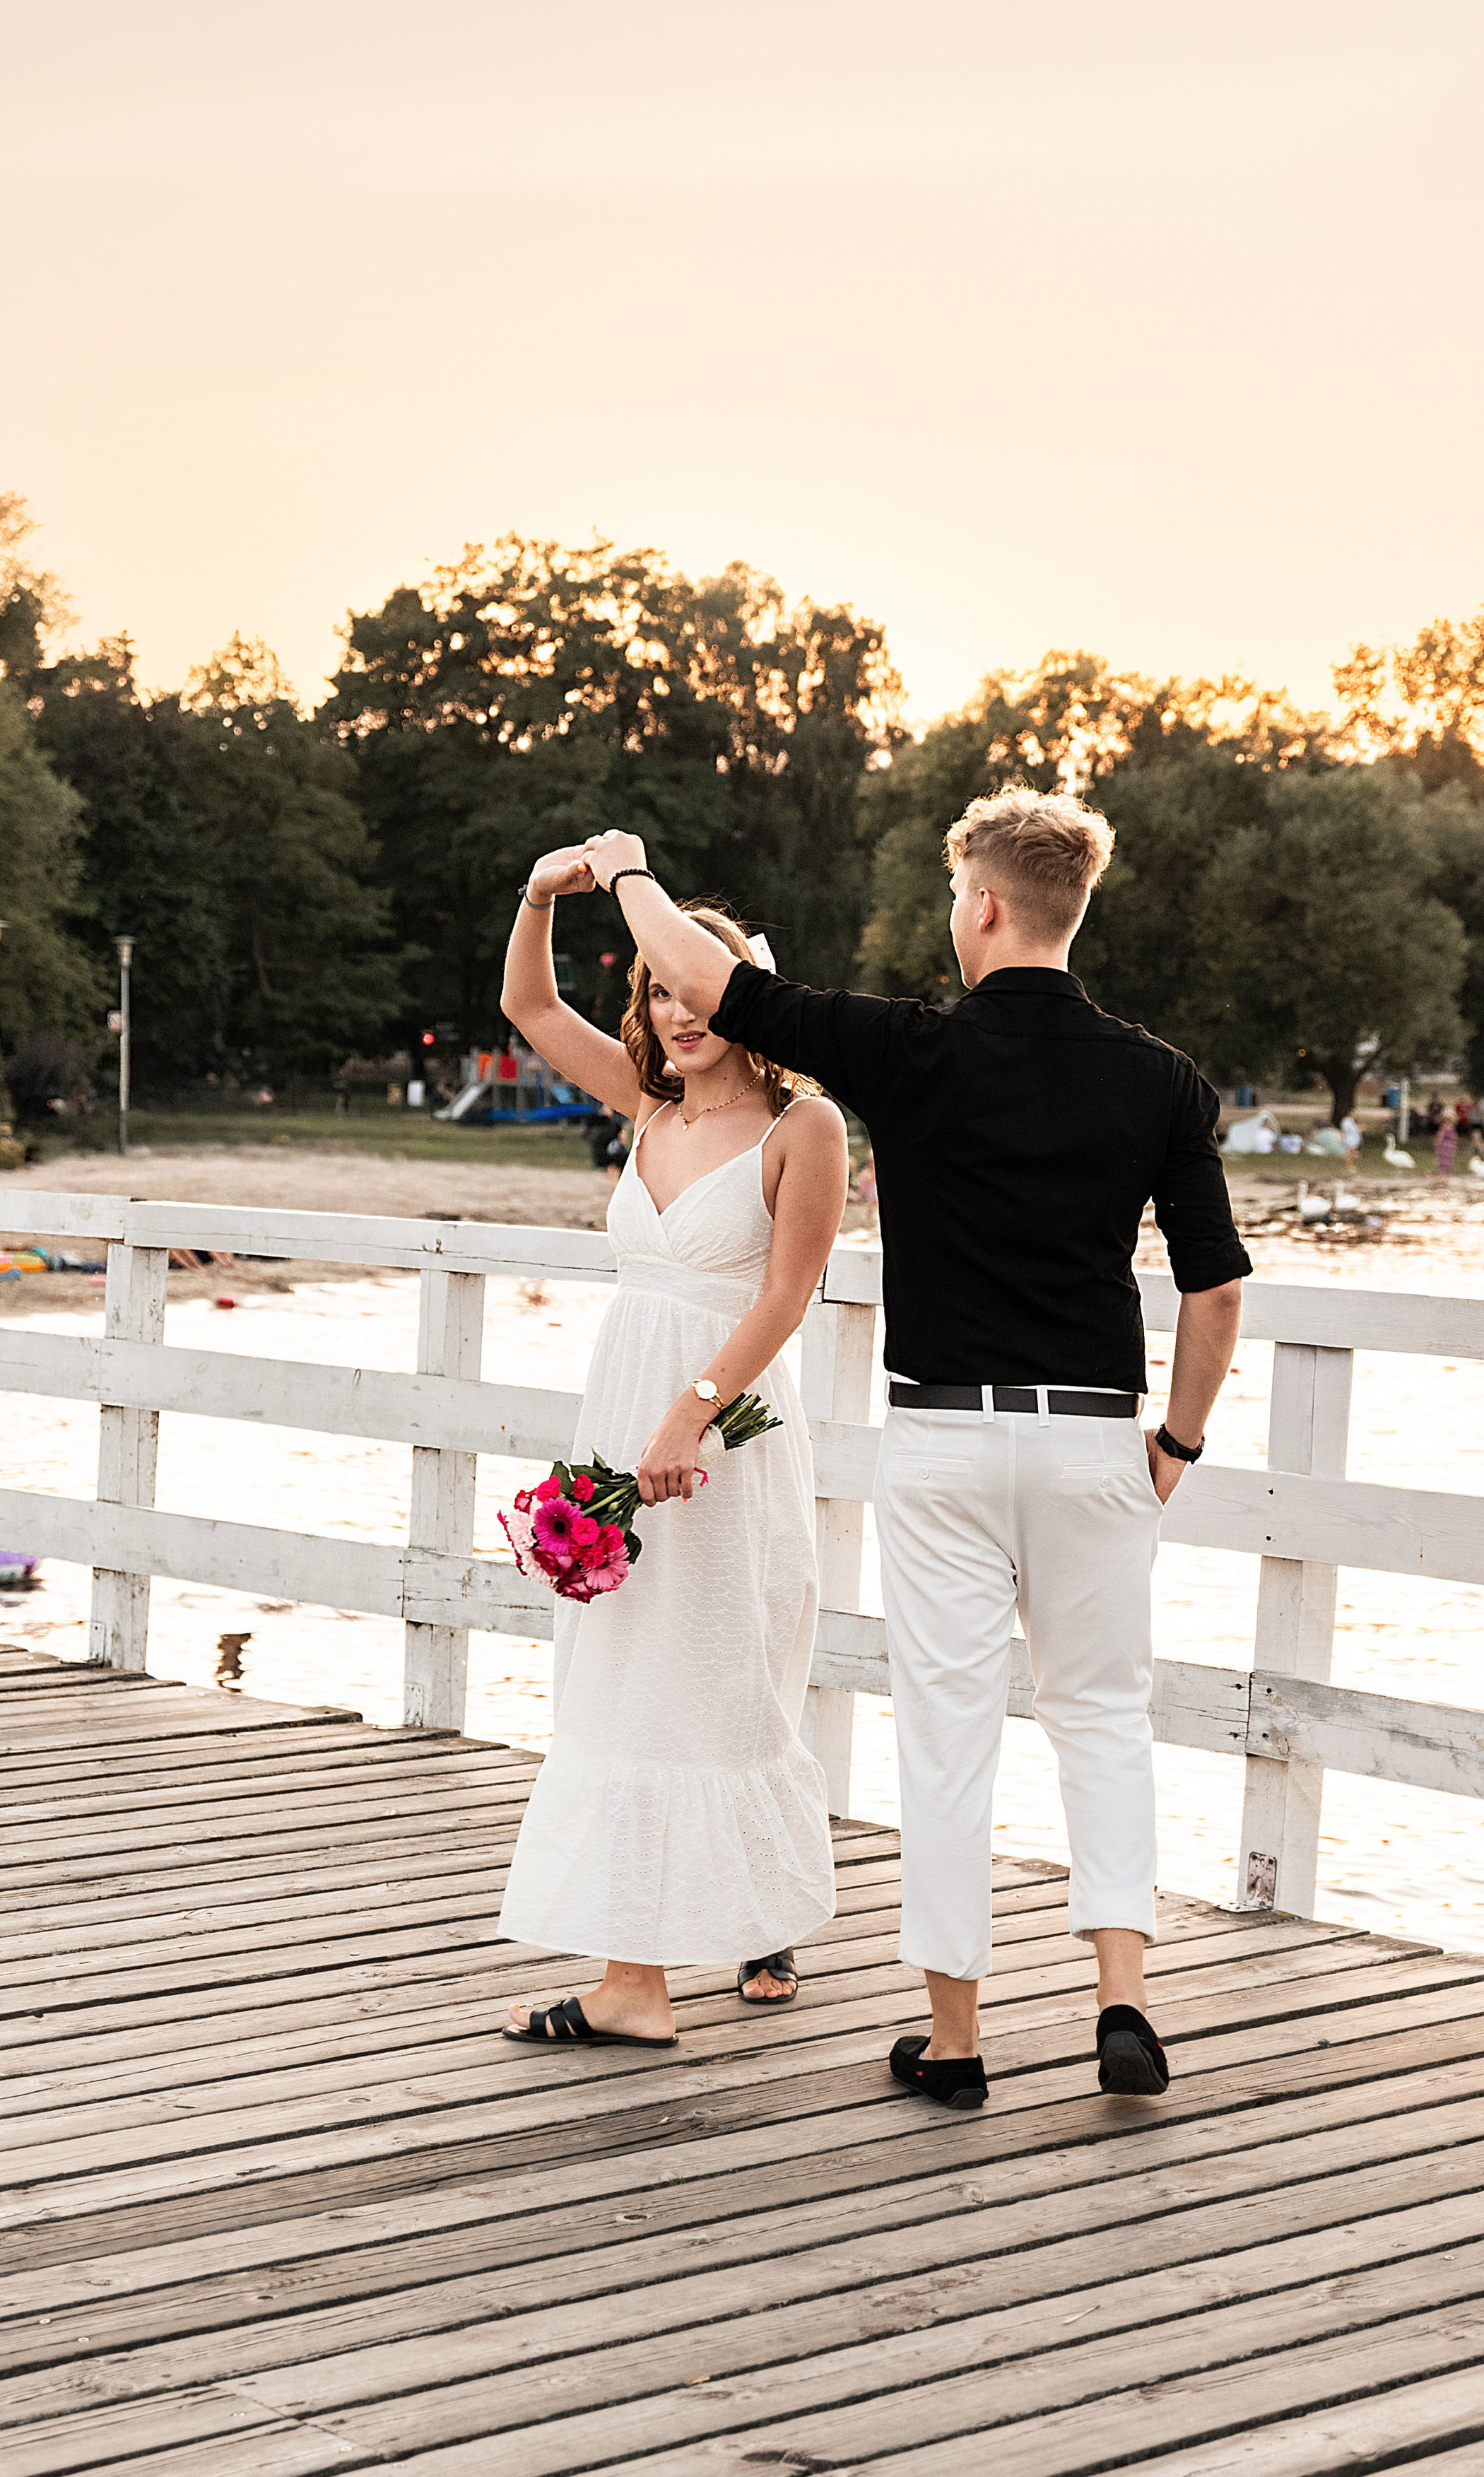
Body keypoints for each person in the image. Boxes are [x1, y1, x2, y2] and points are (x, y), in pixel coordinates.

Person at [581, 787, 1249, 2110]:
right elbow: (1217, 1290)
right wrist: (1173, 1440)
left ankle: (956, 2043)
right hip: (1094, 1442)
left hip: (946, 1434)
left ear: (984, 905)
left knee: (950, 1735)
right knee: (1103, 1723)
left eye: (956, 899)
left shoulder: (909, 1050)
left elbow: (711, 979)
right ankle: (1122, 2005)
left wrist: (628, 874)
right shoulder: (1162, 1079)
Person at [491, 850, 849, 2046]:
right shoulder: (645, 1106)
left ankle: (751, 1924)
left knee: (726, 1678)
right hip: (622, 1424)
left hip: (725, 1437)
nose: (679, 1011)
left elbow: (786, 1297)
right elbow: (531, 1009)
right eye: (656, 991)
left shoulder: (808, 1126)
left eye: (701, 987)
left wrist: (692, 1411)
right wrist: (544, 896)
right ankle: (633, 1978)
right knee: (626, 1678)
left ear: (746, 991)